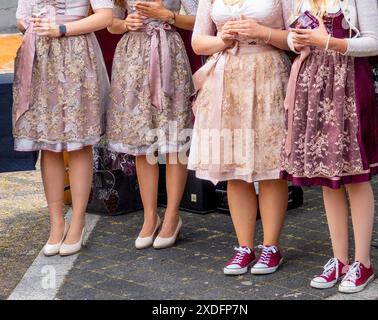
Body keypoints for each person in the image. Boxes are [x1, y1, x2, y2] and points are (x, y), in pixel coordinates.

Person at [282, 0, 378, 293]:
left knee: (355, 177)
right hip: (313, 85)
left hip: (349, 84)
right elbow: (291, 39)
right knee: (329, 178)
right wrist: (296, 39)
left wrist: (327, 41)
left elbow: (373, 43)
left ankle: (363, 262)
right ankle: (340, 259)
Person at [189, 0, 293, 276]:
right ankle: (244, 247)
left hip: (268, 75)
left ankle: (271, 246)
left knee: (270, 166)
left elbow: (295, 38)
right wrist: (221, 39)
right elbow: (198, 43)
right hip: (226, 80)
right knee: (234, 167)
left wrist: (262, 32)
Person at [13, 0, 113, 256]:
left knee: (79, 142)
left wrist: (62, 28)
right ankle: (56, 222)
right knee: (49, 145)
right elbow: (21, 17)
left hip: (76, 55)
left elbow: (105, 16)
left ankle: (78, 220)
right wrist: (29, 26)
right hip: (40, 58)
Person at [107, 0, 198, 249]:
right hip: (132, 58)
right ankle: (149, 216)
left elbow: (200, 20)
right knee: (142, 141)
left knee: (173, 140)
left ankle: (172, 215)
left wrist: (168, 16)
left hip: (169, 53)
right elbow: (111, 23)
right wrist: (125, 23)